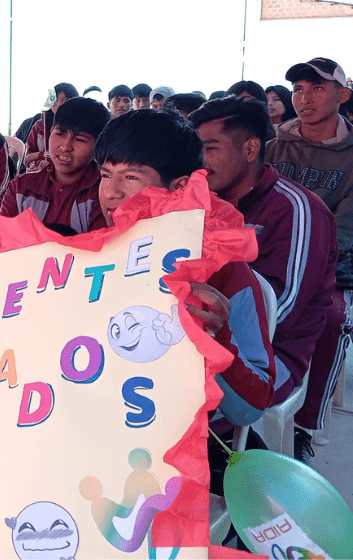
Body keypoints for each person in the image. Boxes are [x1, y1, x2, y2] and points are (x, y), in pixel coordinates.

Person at [92, 109, 276, 434]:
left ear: (178, 189)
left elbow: (251, 407)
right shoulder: (91, 256)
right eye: (106, 175)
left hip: (182, 446)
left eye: (131, 177)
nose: (111, 192)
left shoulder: (226, 272)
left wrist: (215, 340)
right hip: (95, 432)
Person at [190, 97, 337, 462]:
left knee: (183, 402)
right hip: (209, 335)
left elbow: (280, 310)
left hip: (274, 353)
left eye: (210, 149)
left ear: (251, 148)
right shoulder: (199, 202)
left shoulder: (297, 209)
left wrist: (203, 335)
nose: (200, 162)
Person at [265, 57, 353, 459]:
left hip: (327, 267)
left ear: (343, 94)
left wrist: (306, 267)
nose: (305, 98)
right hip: (265, 258)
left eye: (318, 88)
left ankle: (304, 425)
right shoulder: (271, 147)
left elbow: (346, 226)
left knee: (333, 319)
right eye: (299, 89)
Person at [0, 96, 109, 234]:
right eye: (60, 134)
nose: (65, 147)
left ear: (98, 145)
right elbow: (4, 242)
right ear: (50, 132)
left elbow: (102, 248)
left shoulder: (104, 193)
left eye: (79, 139)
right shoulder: (20, 189)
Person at [25, 82, 79, 171]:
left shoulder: (78, 127)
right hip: (41, 174)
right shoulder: (40, 126)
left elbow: (72, 156)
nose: (58, 104)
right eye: (54, 99)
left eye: (64, 100)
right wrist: (39, 162)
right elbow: (28, 156)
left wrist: (40, 155)